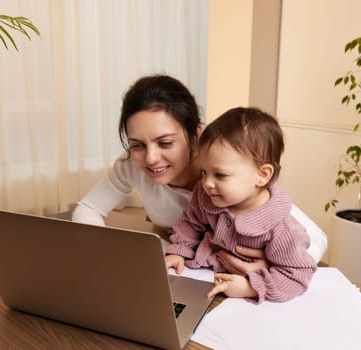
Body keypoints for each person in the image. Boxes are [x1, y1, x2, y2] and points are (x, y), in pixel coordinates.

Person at [72, 74, 327, 273]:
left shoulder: (228, 171)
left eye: (165, 143)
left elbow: (316, 239)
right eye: (137, 144)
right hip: (188, 270)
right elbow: (87, 209)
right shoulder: (132, 164)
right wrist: (103, 250)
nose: (150, 158)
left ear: (196, 134)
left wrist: (272, 264)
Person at [164, 107, 317, 303]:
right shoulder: (206, 196)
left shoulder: (282, 229)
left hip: (249, 301)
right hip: (204, 279)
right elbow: (190, 223)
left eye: (220, 175)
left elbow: (297, 275)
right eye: (204, 172)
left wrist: (250, 287)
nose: (207, 183)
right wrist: (178, 251)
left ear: (261, 175)